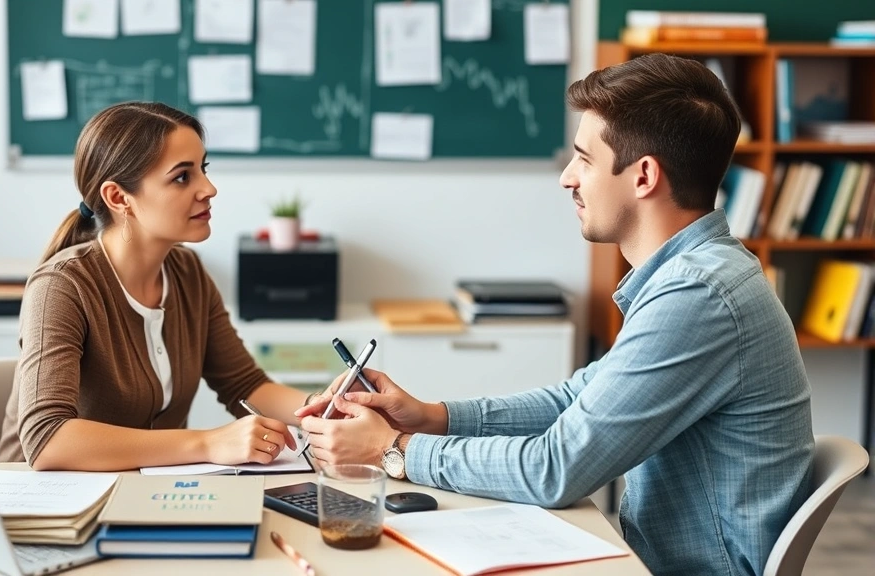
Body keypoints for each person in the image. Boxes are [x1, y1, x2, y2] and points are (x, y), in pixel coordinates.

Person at [297, 53, 814, 576]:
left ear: (643, 177)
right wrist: (432, 416)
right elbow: (579, 399)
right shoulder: (695, 274)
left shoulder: (698, 294)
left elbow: (556, 469)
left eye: (584, 159)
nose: (568, 177)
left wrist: (395, 450)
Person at [0, 102, 302, 471]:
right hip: (48, 506)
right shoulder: (61, 287)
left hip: (149, 493)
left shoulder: (188, 272)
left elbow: (245, 385)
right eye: (182, 177)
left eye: (203, 169)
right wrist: (208, 442)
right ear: (119, 198)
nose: (209, 189)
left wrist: (327, 407)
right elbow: (48, 440)